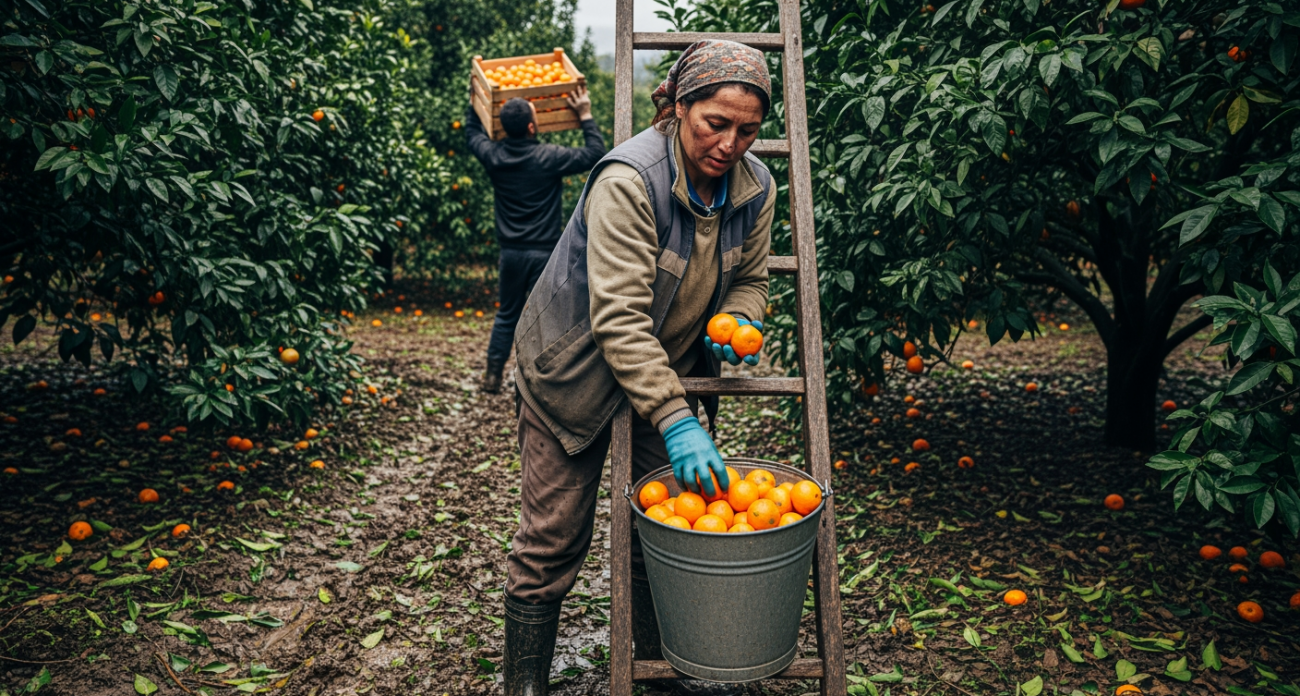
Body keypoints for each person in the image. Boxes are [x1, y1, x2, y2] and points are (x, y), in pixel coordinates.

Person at [501, 40, 775, 696]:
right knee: (554, 537)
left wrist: (743, 321)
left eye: (749, 130)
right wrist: (679, 420)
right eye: (716, 124)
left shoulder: (757, 186)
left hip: (660, 378)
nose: (731, 144)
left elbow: (753, 280)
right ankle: (523, 685)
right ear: (679, 107)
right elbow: (620, 320)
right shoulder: (630, 180)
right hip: (573, 374)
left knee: (666, 528)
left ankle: (659, 671)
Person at [465, 84, 607, 395]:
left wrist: (475, 96)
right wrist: (584, 113)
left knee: (507, 313)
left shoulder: (494, 156)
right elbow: (596, 154)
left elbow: (472, 133)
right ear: (532, 126)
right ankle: (543, 380)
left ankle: (491, 375)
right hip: (546, 255)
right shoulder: (549, 157)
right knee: (549, 317)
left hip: (511, 254)